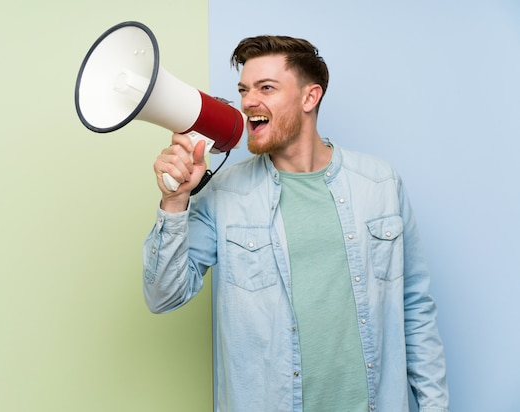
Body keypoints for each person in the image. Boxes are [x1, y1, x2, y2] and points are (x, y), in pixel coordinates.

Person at [143, 35, 449, 412]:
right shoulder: (225, 194)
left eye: (266, 88)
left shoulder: (380, 184)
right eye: (243, 89)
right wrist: (175, 200)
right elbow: (163, 296)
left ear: (310, 97)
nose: (248, 101)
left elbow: (415, 307)